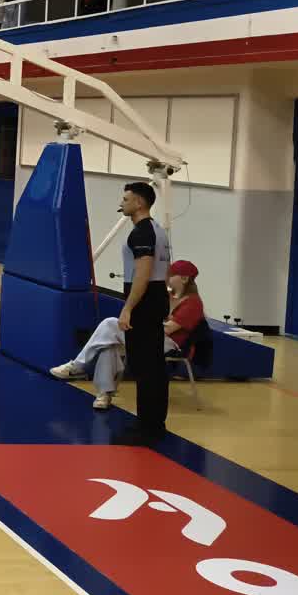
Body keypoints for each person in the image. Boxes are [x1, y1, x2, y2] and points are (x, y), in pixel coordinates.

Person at [51, 260, 203, 410]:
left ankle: (78, 366)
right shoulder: (168, 298)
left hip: (169, 344)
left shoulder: (193, 303)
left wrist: (142, 324)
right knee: (108, 345)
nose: (166, 278)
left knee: (110, 324)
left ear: (184, 278)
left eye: (171, 275)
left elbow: (167, 329)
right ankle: (104, 395)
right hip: (153, 337)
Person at [116, 182, 172, 443]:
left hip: (144, 300)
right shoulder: (158, 230)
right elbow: (165, 271)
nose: (122, 203)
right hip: (156, 297)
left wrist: (128, 308)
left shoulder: (141, 233)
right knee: (154, 365)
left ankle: (146, 429)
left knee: (145, 366)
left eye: (126, 199)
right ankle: (154, 423)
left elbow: (143, 273)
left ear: (139, 203)